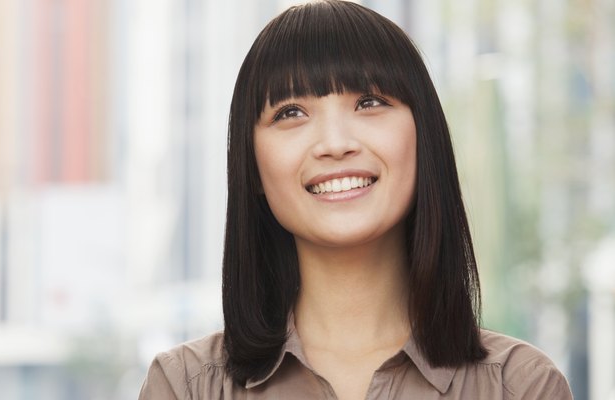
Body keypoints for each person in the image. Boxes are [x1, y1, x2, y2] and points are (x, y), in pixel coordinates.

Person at [139, 1, 573, 399]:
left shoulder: (520, 386)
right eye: (290, 112)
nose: (335, 143)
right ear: (251, 165)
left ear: (425, 139)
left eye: (369, 102)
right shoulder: (185, 386)